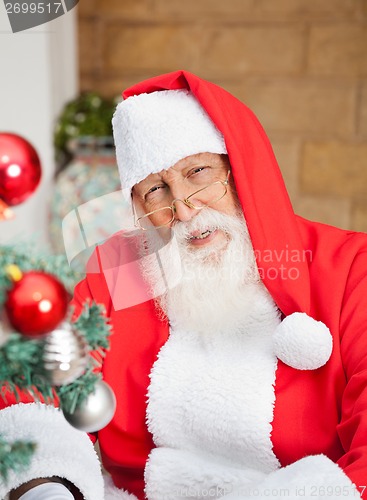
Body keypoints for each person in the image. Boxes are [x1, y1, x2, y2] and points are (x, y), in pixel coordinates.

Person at [2, 70, 367, 500]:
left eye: (198, 172)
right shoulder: (121, 269)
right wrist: (48, 488)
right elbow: (37, 391)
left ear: (240, 170)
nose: (184, 208)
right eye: (155, 189)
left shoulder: (349, 267)